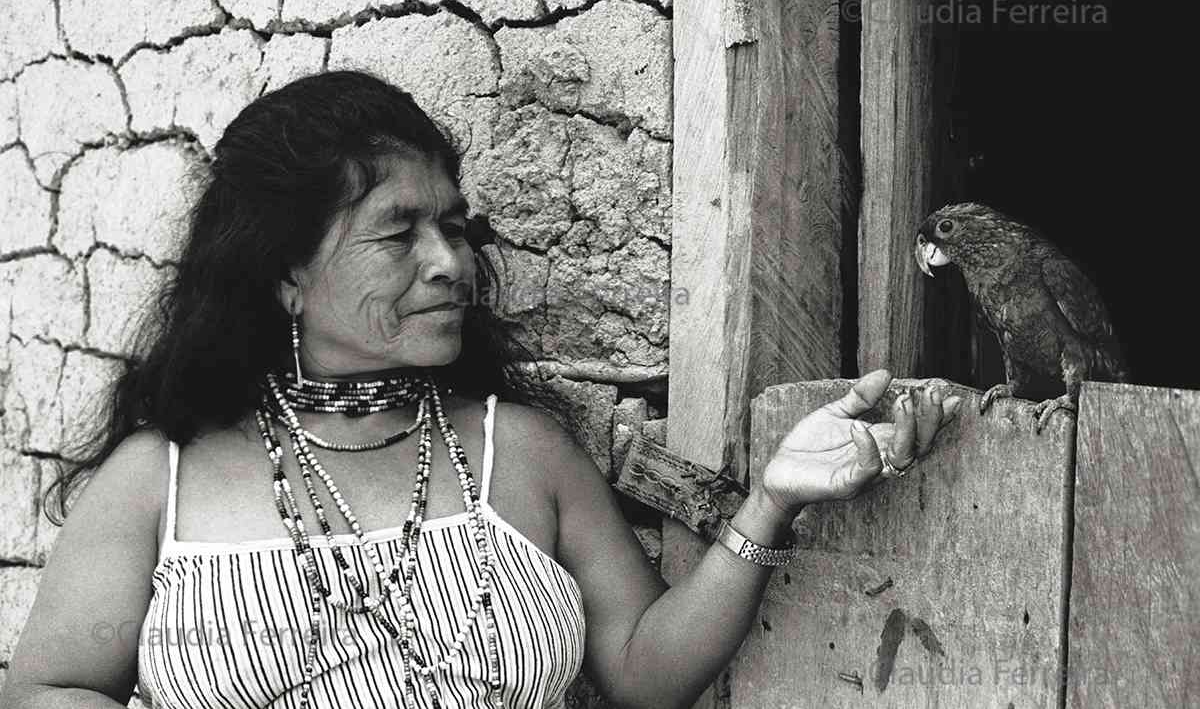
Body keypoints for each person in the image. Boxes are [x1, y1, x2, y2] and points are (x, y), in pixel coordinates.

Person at [1, 70, 961, 709]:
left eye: (456, 229)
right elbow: (46, 689)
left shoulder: (522, 449)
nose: (449, 263)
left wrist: (773, 500)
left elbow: (643, 670)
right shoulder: (160, 480)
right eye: (398, 232)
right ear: (284, 273)